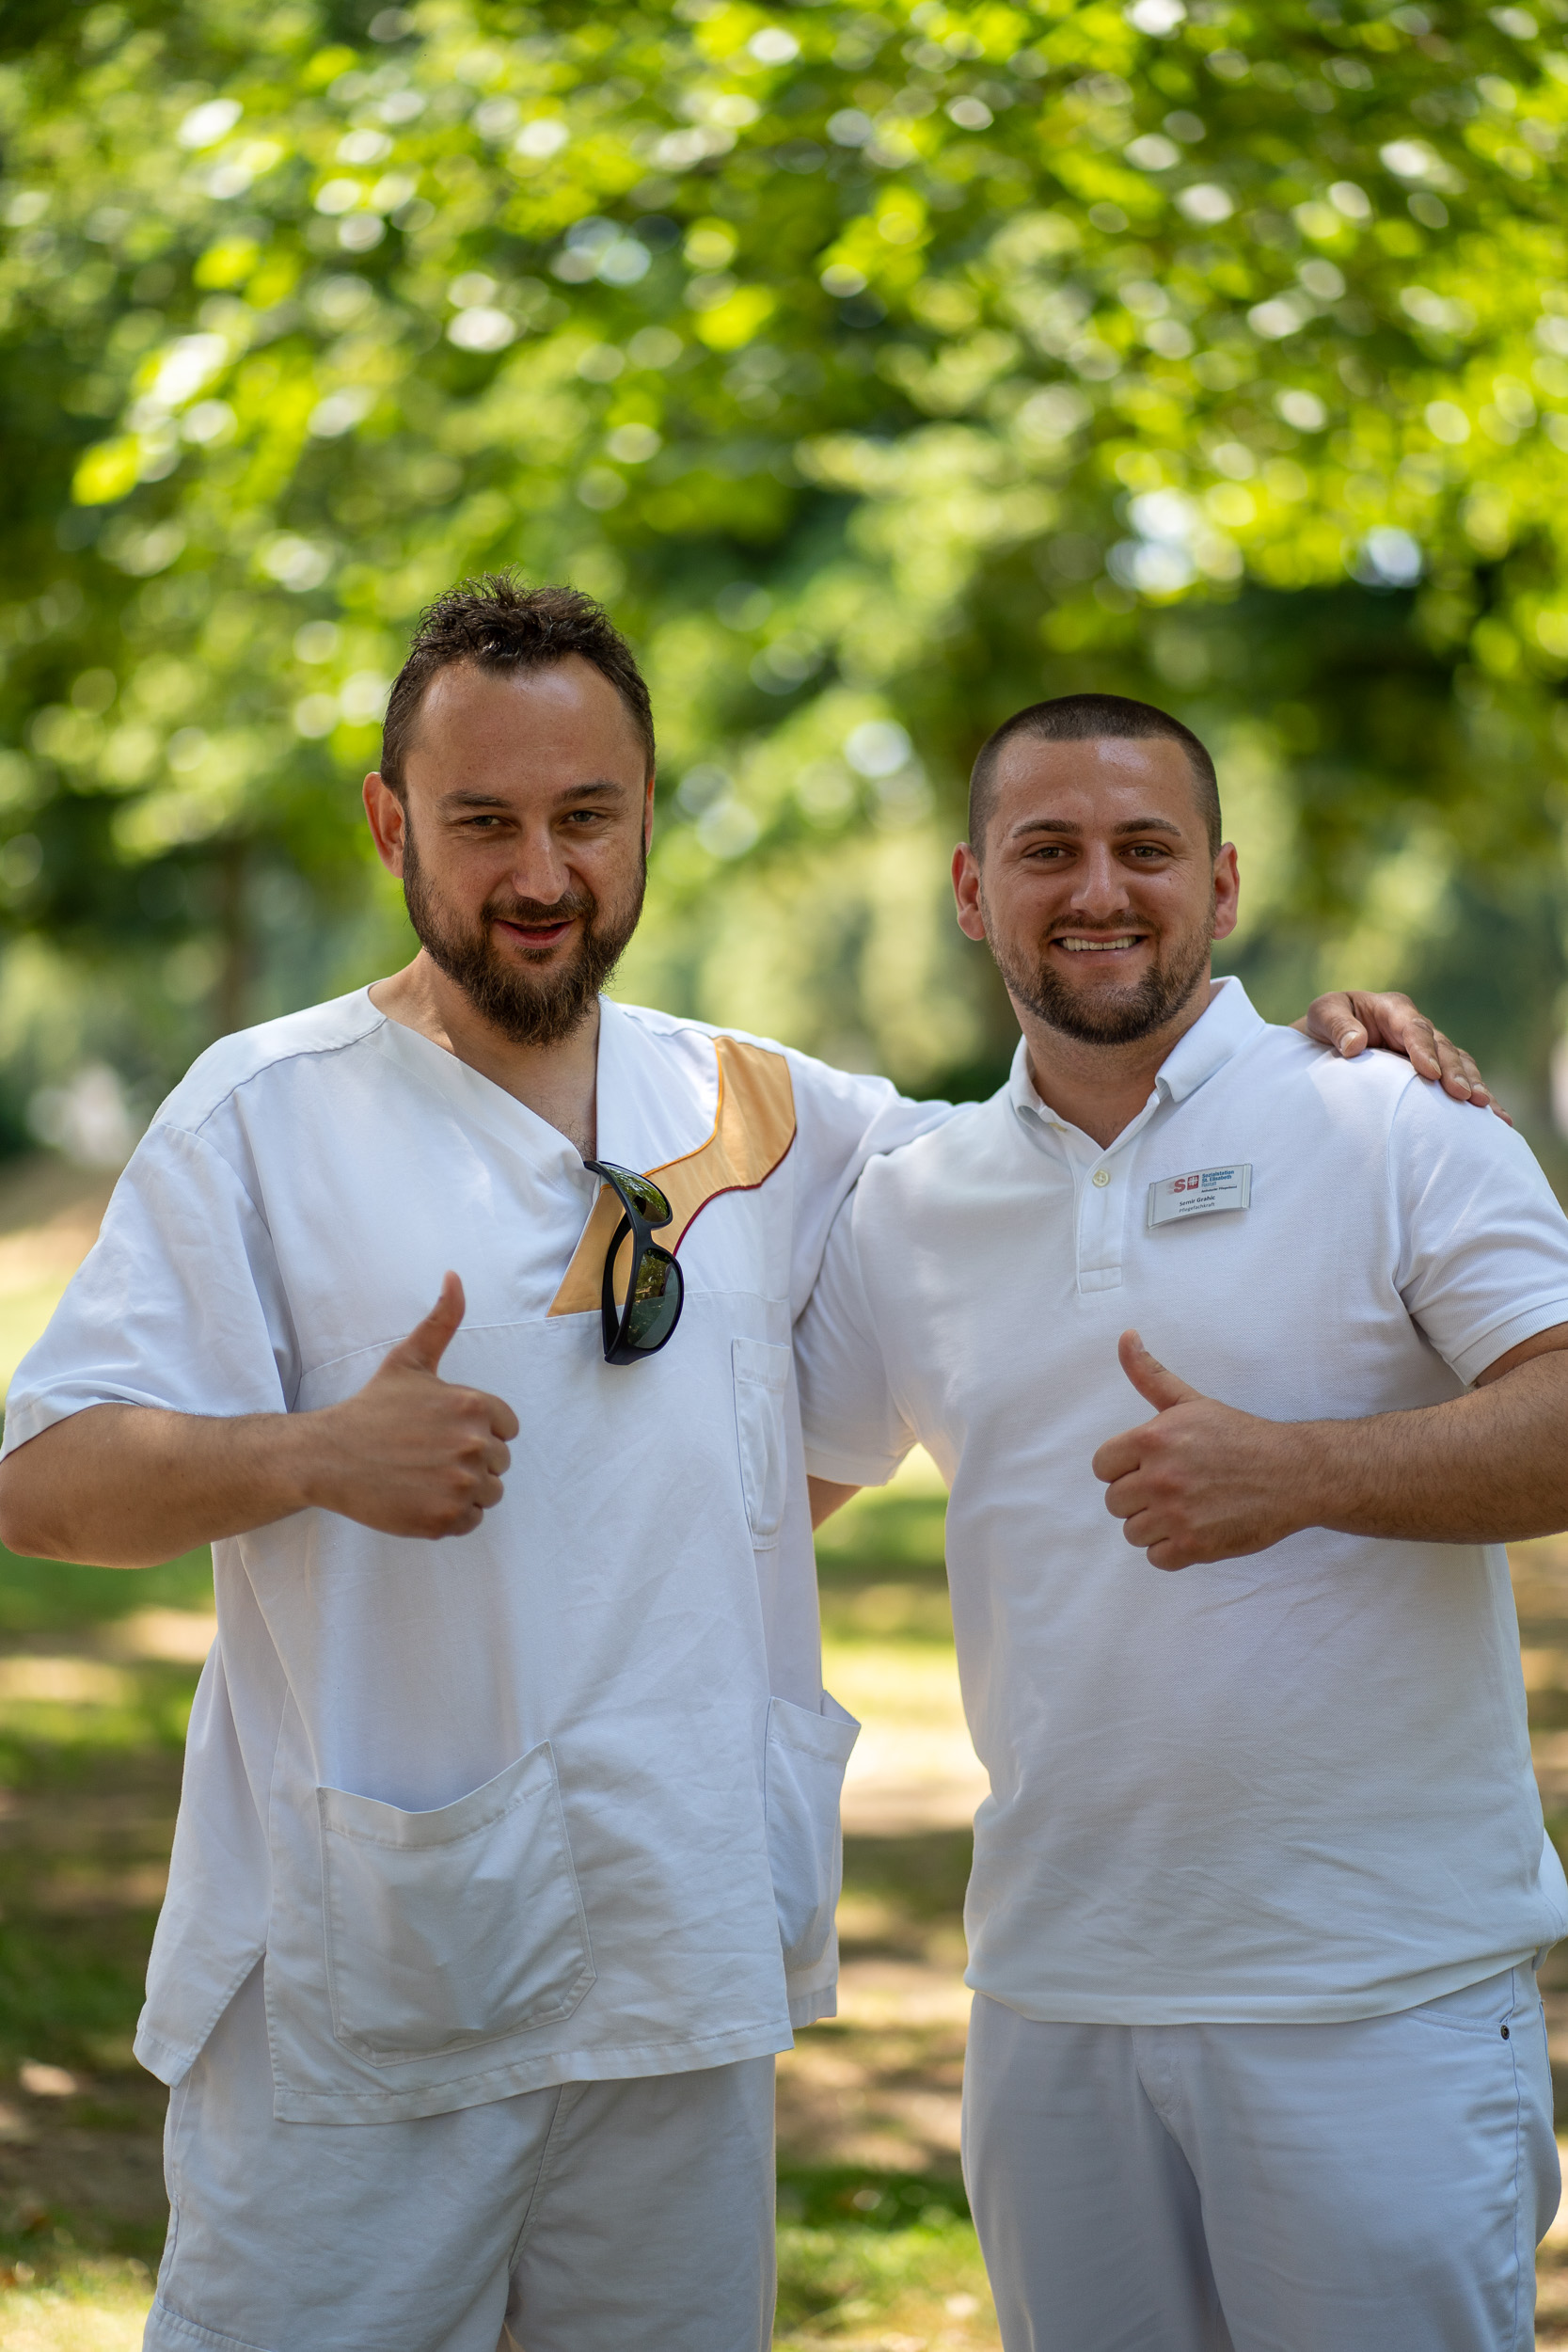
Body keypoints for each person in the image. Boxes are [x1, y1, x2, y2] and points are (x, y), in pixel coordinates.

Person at [0, 591, 1481, 2352]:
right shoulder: (265, 1112)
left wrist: (1298, 1069)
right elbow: (47, 1481)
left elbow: (1073, 1126)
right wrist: (310, 1454)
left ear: (645, 819)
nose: (539, 871)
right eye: (483, 822)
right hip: (370, 1991)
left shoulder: (768, 1113)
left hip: (680, 1968)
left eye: (586, 817)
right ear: (393, 822)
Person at [795, 691, 1568, 2352]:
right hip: (1052, 2001)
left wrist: (1306, 1474)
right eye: (1046, 850)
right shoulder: (914, 1204)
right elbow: (747, 1503)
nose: (1098, 890)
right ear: (967, 887)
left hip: (1377, 2000)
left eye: (1146, 849)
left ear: (1220, 887)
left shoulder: (1386, 1118)